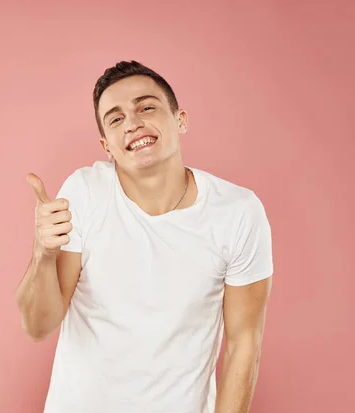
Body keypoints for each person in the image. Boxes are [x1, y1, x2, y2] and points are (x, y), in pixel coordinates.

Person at [15, 60, 273, 413]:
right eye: (116, 118)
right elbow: (38, 326)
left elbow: (244, 343)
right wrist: (42, 253)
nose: (133, 124)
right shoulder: (85, 192)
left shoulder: (238, 212)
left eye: (146, 107)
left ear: (180, 119)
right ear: (107, 146)